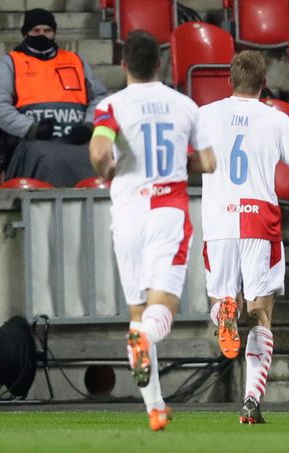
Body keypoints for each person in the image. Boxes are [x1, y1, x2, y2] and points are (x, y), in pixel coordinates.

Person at [88, 30, 216, 431]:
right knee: (161, 311)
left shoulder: (110, 105)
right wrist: (181, 162)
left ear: (125, 64)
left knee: (138, 313)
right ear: (161, 64)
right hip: (167, 210)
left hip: (126, 214)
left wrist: (108, 169)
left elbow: (99, 153)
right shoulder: (185, 105)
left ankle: (155, 408)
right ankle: (146, 344)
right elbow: (209, 162)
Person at [198, 50, 289, 424]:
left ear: (230, 80)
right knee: (261, 310)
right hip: (259, 218)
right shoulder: (277, 119)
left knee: (224, 295)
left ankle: (224, 310)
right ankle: (252, 399)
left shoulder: (206, 115)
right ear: (264, 84)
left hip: (219, 218)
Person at [0, 8, 108, 186]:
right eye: (35, 31)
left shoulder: (75, 60)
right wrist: (31, 129)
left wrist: (89, 125)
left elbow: (101, 97)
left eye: (47, 31)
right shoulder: (9, 63)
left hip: (77, 141)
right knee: (50, 160)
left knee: (99, 154)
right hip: (34, 143)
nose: (41, 35)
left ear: (54, 33)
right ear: (25, 33)